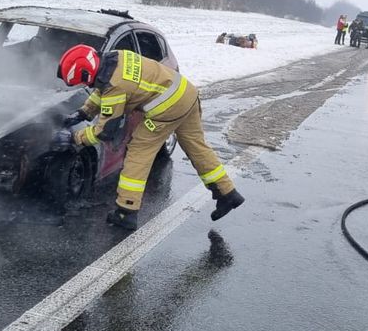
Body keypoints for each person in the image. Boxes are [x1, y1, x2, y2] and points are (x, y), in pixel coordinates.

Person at [54, 45, 245, 230]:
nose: (84, 85)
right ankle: (228, 194)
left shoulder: (116, 86)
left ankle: (126, 211)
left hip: (167, 109)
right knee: (197, 148)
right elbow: (101, 90)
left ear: (88, 73)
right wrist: (83, 113)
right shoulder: (113, 58)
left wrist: (74, 138)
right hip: (187, 94)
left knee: (139, 151)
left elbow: (104, 131)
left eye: (83, 81)